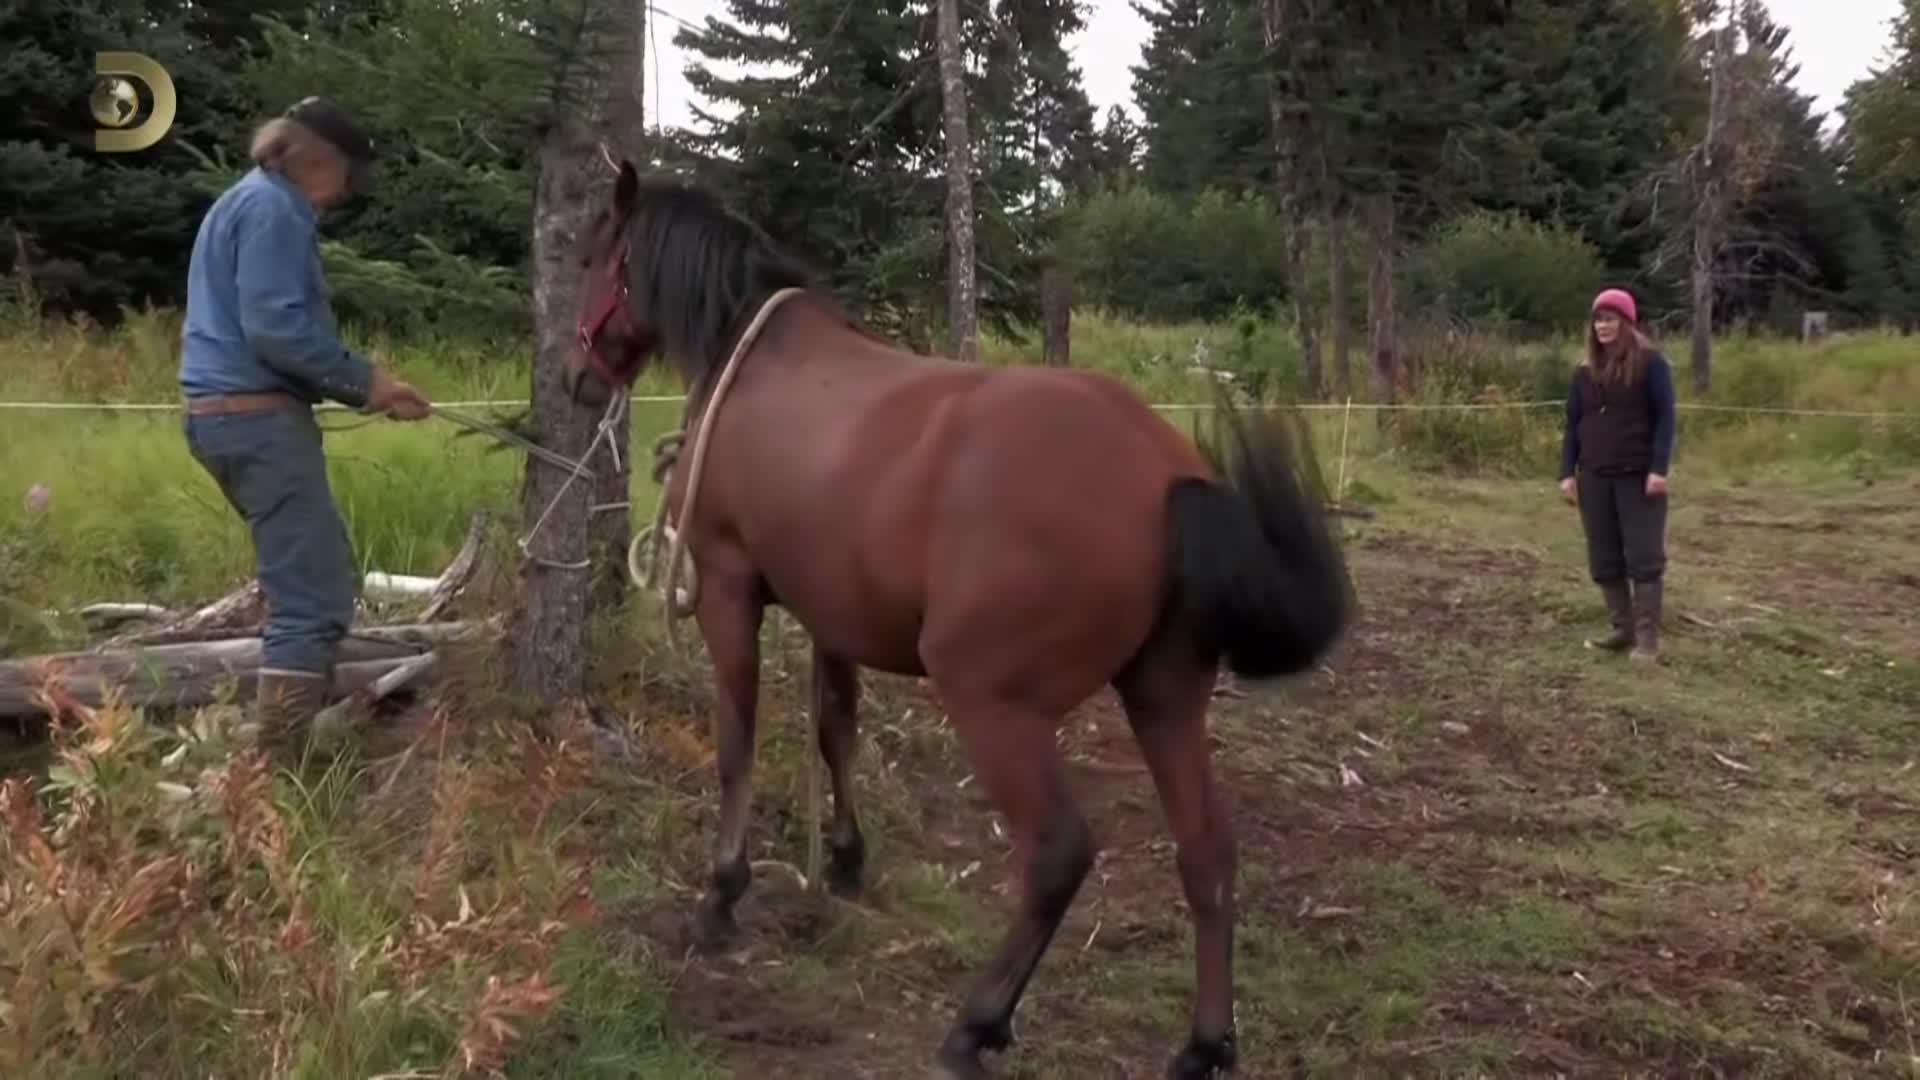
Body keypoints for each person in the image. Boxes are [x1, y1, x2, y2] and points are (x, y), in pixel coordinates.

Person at [178, 97, 432, 760]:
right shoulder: (274, 210)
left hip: (228, 419)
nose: (344, 195)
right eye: (347, 178)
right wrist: (367, 383)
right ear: (319, 159)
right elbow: (277, 330)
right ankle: (274, 776)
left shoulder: (245, 201)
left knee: (313, 580)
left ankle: (278, 751)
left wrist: (361, 388)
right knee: (313, 602)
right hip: (257, 421)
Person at [1558, 287, 1676, 662]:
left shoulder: (1650, 363)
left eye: (1609, 319)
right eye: (1597, 319)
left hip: (1637, 473)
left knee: (1643, 555)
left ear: (1627, 322)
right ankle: (1621, 629)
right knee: (1604, 555)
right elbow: (1573, 423)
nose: (1602, 326)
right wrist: (1567, 471)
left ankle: (1647, 639)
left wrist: (1658, 468)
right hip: (1594, 474)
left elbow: (1665, 418)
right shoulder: (1584, 371)